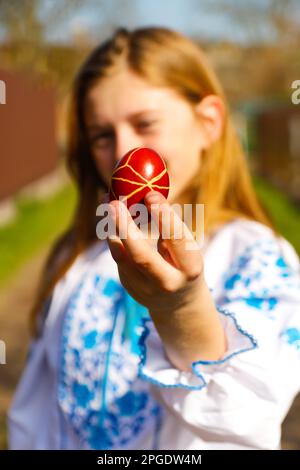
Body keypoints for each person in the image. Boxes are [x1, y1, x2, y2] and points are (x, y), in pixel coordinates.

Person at [8, 26, 300, 450]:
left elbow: (244, 416)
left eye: (145, 124)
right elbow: (33, 413)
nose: (124, 152)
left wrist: (180, 306)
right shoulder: (75, 261)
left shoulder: (257, 259)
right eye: (102, 135)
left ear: (209, 123)